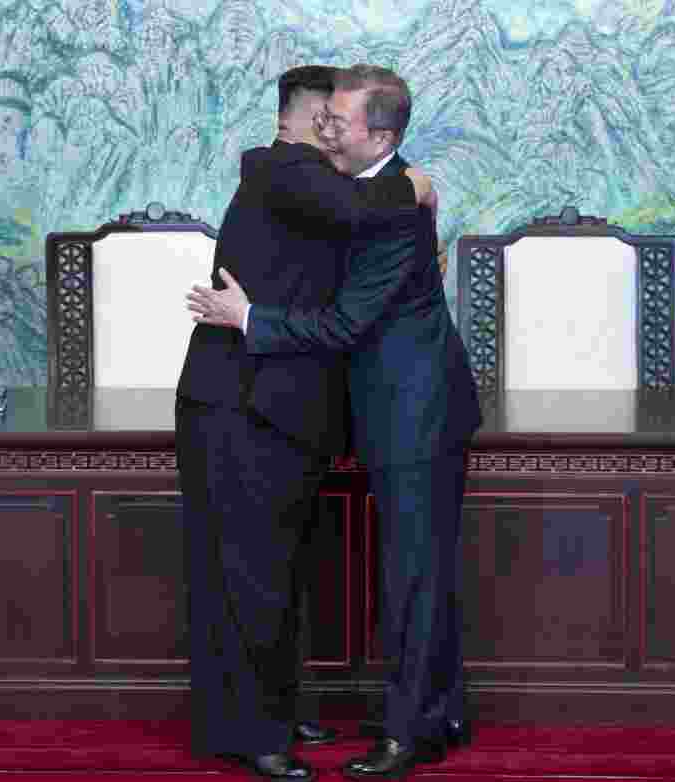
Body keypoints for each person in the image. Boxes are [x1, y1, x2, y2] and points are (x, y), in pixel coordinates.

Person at [187, 64, 482, 780]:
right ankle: (430, 713)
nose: (327, 131)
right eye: (322, 117)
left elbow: (349, 318)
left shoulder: (388, 201)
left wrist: (249, 317)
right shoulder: (337, 184)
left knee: (415, 574)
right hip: (336, 409)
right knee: (407, 573)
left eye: (339, 121)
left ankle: (413, 730)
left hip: (413, 410)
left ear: (379, 133)